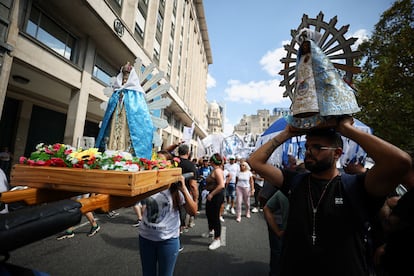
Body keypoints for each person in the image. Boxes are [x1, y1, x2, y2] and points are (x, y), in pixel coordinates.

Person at [248, 116, 411, 276]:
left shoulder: (357, 186)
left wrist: (347, 130)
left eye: (318, 147)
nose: (309, 152)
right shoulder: (295, 181)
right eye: (307, 147)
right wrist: (288, 133)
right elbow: (255, 161)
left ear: (337, 153)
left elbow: (400, 162)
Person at [139, 174, 197, 276]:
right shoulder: (147, 183)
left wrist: (183, 188)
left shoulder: (176, 188)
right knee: (147, 273)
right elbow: (129, 203)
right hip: (145, 238)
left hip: (168, 240)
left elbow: (193, 211)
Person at [95, 62, 153, 159]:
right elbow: (110, 110)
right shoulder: (116, 92)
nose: (124, 82)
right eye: (123, 79)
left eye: (127, 79)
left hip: (128, 120)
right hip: (116, 117)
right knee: (113, 131)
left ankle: (126, 150)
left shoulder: (136, 94)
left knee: (125, 134)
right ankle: (112, 148)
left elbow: (140, 115)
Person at [202, 153, 226, 250]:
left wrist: (212, 194)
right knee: (209, 213)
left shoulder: (218, 171)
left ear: (212, 162)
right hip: (211, 194)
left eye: (210, 161)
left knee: (215, 216)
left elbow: (221, 185)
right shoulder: (215, 170)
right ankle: (211, 230)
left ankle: (217, 239)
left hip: (216, 196)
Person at [263, 190, 289, 276]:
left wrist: (278, 231)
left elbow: (265, 203)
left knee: (277, 253)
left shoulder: (283, 191)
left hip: (280, 227)